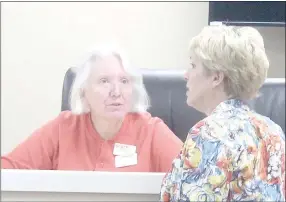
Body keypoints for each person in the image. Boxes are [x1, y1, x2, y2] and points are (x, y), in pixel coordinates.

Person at [1, 45, 183, 172]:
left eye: (124, 81)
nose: (116, 91)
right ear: (83, 92)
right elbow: (8, 170)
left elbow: (196, 178)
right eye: (104, 81)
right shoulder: (63, 128)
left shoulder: (151, 130)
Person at [160, 25, 285, 201]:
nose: (186, 74)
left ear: (216, 78)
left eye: (193, 65)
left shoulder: (209, 133)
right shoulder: (273, 132)